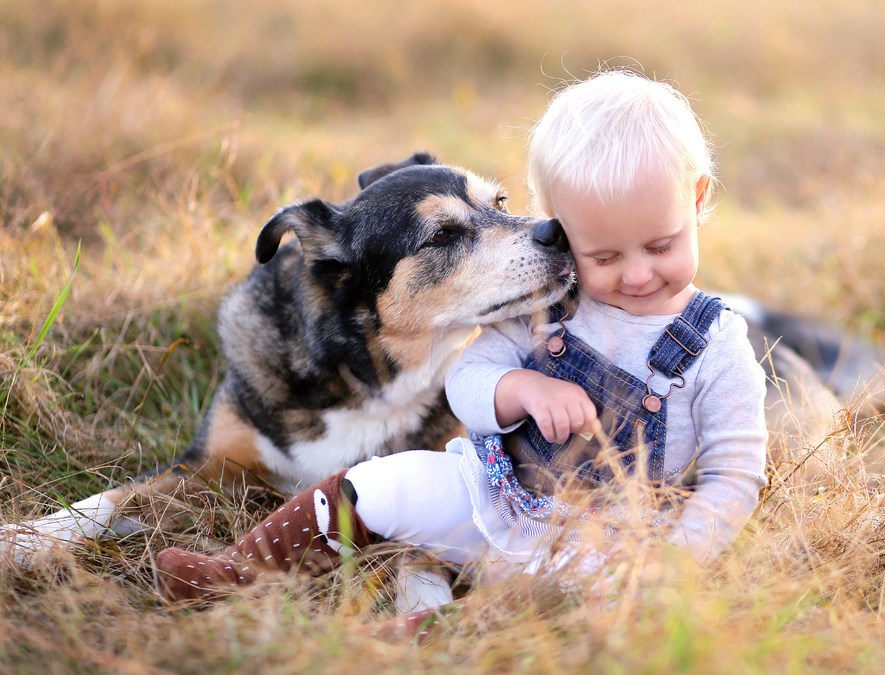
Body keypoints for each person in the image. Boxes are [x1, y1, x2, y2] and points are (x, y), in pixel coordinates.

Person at [154, 70, 769, 622]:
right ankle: (235, 572)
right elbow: (470, 381)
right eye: (603, 254)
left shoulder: (716, 343)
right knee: (385, 485)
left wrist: (678, 564)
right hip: (494, 499)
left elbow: (735, 473)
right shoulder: (546, 309)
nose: (634, 277)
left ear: (696, 202)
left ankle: (444, 626)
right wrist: (519, 386)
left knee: (596, 596)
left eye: (658, 247)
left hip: (606, 536)